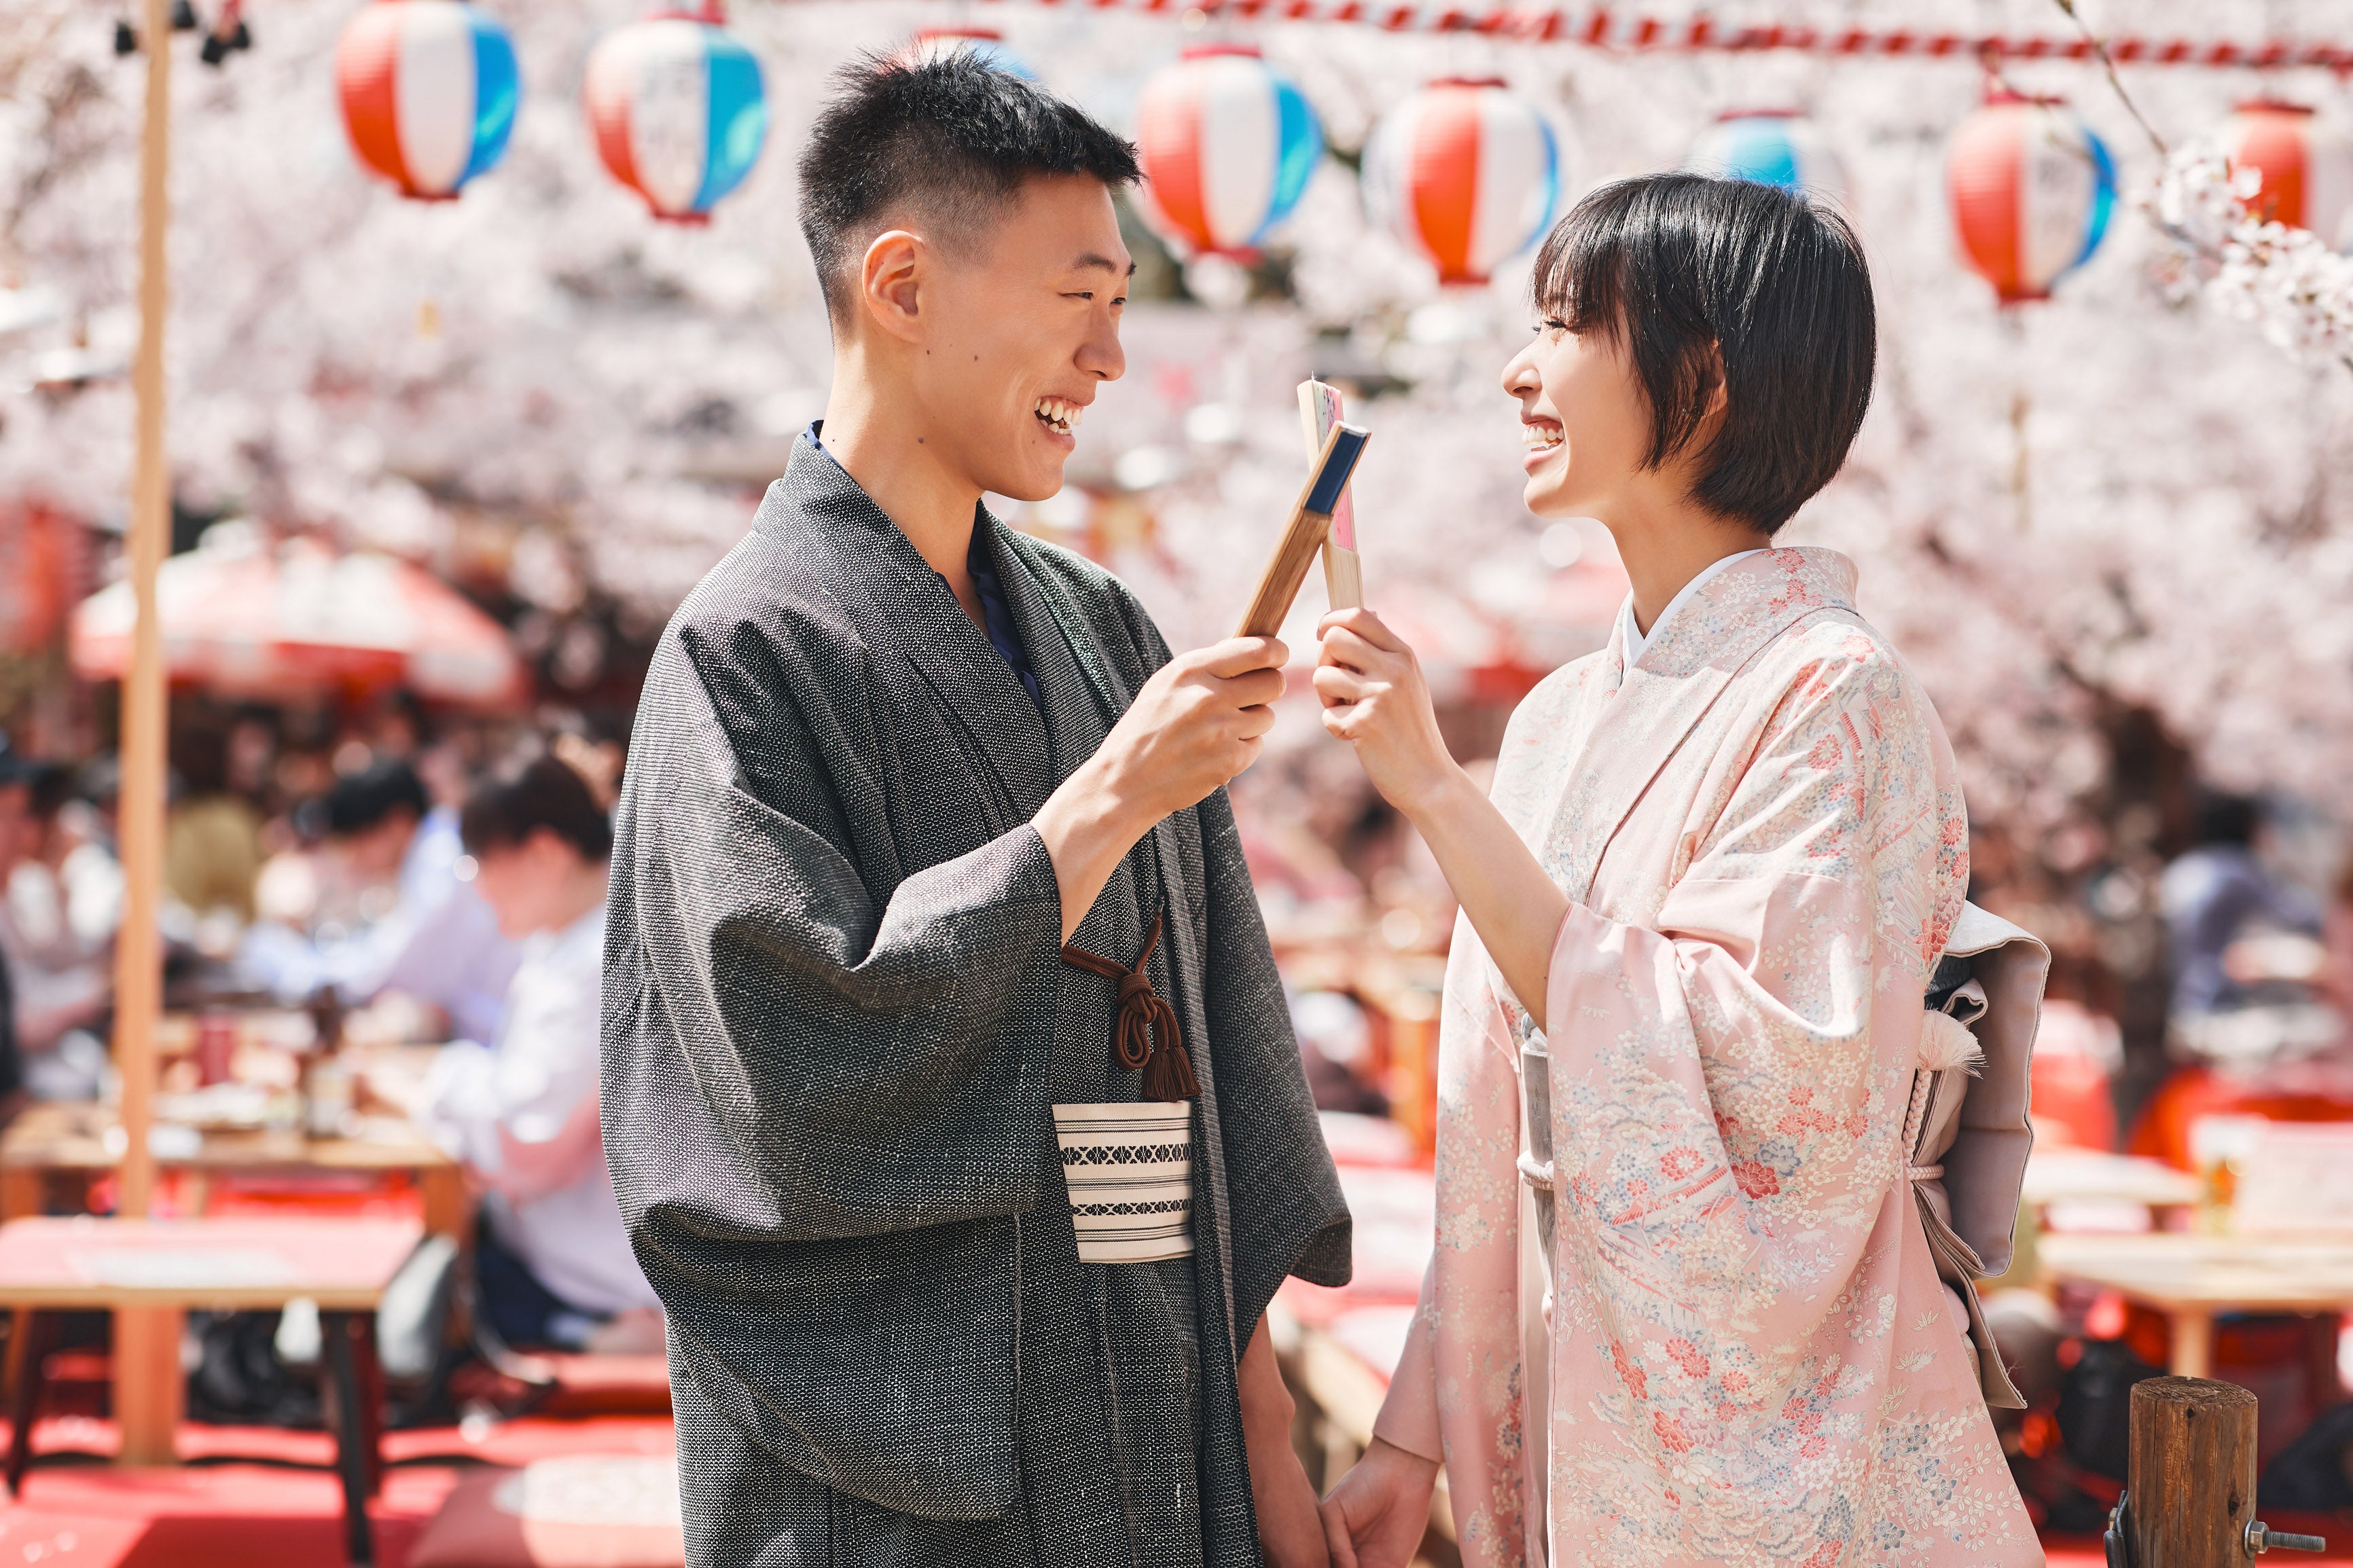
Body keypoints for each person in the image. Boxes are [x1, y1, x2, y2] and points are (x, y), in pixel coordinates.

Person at [602, 52, 1348, 1568]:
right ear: (901, 285)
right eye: (1079, 299)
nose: (1112, 357)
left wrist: (1265, 1429)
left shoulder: (1101, 628)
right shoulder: (743, 651)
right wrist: (1108, 798)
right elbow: (793, 1066)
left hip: (1162, 1400)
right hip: (905, 1462)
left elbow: (1209, 1043)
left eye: (1124, 303)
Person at [1314, 177, 2040, 1566]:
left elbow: (1766, 1096)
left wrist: (1426, 787)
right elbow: (1495, 1126)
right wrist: (1410, 1439)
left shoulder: (1837, 698)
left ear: (1702, 380)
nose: (1519, 370)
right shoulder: (1553, 721)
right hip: (1575, 1408)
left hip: (1775, 1465)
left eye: (1568, 323)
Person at [417, 755, 662, 1351]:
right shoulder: (586, 936)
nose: (474, 884)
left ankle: (595, 1337)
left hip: (597, 1260)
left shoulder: (596, 956)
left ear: (547, 852)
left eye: (478, 860)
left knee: (430, 1284)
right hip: (588, 1237)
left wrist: (438, 1077)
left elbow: (527, 1134)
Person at [240, 759, 518, 1044]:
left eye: (358, 841)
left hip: (494, 1039)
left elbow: (387, 970)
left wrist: (290, 966)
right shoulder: (435, 850)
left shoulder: (441, 858)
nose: (354, 859)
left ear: (397, 824)